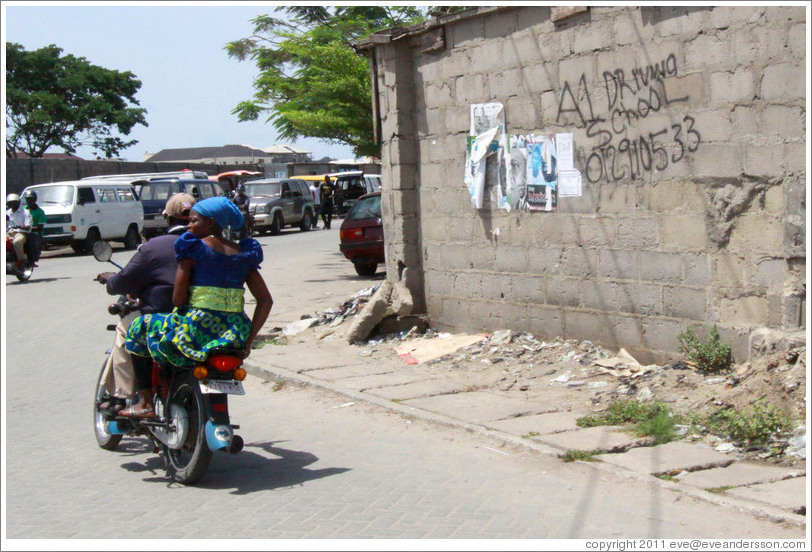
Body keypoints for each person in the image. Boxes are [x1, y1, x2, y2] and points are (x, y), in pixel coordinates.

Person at [124, 196, 273, 418]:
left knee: (139, 328)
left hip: (196, 329)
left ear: (211, 223)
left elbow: (177, 300)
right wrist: (249, 338)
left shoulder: (193, 248)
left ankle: (145, 401)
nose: (189, 225)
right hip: (234, 333)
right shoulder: (244, 253)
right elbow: (266, 301)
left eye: (194, 220)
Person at [96, 193, 197, 414]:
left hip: (162, 319)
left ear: (168, 219)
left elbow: (122, 282)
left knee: (126, 331)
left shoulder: (153, 247)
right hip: (203, 321)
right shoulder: (211, 244)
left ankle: (128, 398)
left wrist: (110, 279)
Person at [6, 193, 33, 269]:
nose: (12, 204)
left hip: (21, 233)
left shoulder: (25, 212)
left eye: (14, 202)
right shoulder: (7, 213)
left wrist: (23, 227)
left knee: (17, 242)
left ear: (18, 202)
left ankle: (22, 261)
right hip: (8, 233)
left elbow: (28, 225)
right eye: (10, 203)